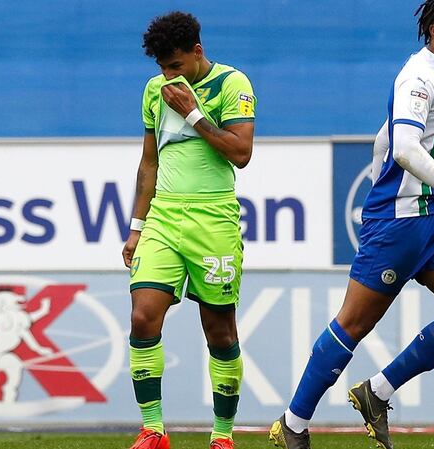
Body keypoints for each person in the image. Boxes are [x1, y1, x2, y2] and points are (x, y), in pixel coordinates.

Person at [268, 1, 434, 448]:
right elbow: (405, 150)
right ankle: (292, 425)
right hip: (399, 222)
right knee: (353, 324)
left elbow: (388, 138)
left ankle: (376, 392)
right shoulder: (419, 77)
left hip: (433, 222)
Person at [122, 11, 256, 449]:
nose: (167, 77)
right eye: (161, 68)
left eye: (175, 66)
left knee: (219, 331)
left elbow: (240, 153)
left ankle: (221, 436)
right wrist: (137, 226)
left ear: (197, 52)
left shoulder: (234, 84)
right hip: (163, 217)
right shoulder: (154, 90)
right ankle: (154, 430)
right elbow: (149, 161)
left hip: (213, 218)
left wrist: (195, 113)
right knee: (143, 316)